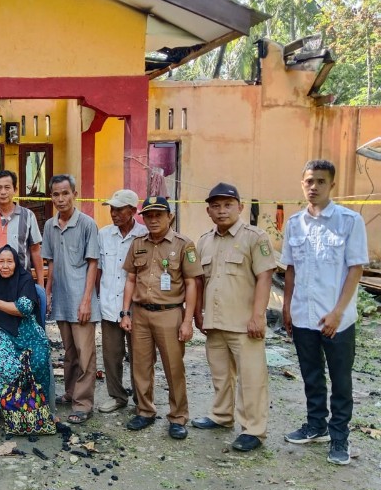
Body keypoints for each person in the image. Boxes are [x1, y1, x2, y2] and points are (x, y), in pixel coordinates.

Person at [281, 160, 368, 465]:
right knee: (311, 374)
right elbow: (290, 269)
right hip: (304, 315)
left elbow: (356, 268)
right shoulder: (294, 223)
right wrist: (287, 306)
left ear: (332, 185)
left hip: (337, 320)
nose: (313, 187)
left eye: (320, 181)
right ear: (302, 184)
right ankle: (316, 425)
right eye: (308, 181)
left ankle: (339, 436)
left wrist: (337, 313)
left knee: (341, 380)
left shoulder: (348, 221)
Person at [192, 183, 276, 451]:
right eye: (215, 206)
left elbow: (265, 276)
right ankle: (222, 415)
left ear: (239, 207)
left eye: (227, 205)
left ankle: (253, 430)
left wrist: (258, 316)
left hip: (244, 324)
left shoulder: (255, 237)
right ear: (208, 211)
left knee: (252, 379)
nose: (221, 211)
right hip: (215, 323)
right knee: (220, 375)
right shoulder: (205, 240)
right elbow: (200, 281)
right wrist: (197, 314)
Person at [121, 196, 201, 440]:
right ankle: (145, 411)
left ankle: (177, 417)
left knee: (174, 368)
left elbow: (191, 282)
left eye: (158, 214)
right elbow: (131, 280)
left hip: (170, 314)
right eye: (149, 215)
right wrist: (125, 313)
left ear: (170, 217)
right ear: (143, 218)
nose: (153, 219)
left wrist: (188, 321)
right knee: (141, 367)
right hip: (141, 314)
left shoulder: (184, 244)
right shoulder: (137, 244)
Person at [0, 245, 51, 431]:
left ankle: (40, 408)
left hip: (28, 331)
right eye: (1, 261)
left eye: (9, 261)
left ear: (16, 263)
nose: (5, 266)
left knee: (38, 359)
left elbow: (23, 309)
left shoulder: (25, 280)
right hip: (2, 330)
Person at [42, 174, 100, 424]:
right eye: (56, 194)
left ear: (75, 194)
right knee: (69, 353)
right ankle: (69, 392)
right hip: (62, 300)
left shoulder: (88, 224)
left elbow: (93, 263)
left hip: (81, 301)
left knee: (85, 354)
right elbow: (51, 262)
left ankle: (83, 403)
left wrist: (86, 300)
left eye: (65, 193)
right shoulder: (49, 226)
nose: (61, 199)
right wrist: (47, 292)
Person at [97, 189, 148, 413]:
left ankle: (141, 400)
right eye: (112, 209)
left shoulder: (145, 235)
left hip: (137, 308)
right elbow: (98, 269)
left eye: (119, 209)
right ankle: (117, 397)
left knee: (139, 356)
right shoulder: (104, 234)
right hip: (110, 305)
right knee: (111, 355)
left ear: (133, 211)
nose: (113, 213)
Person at [0, 170, 43, 285]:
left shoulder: (28, 216)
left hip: (22, 284)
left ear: (15, 190)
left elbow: (35, 251)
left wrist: (40, 285)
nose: (3, 192)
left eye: (7, 187)